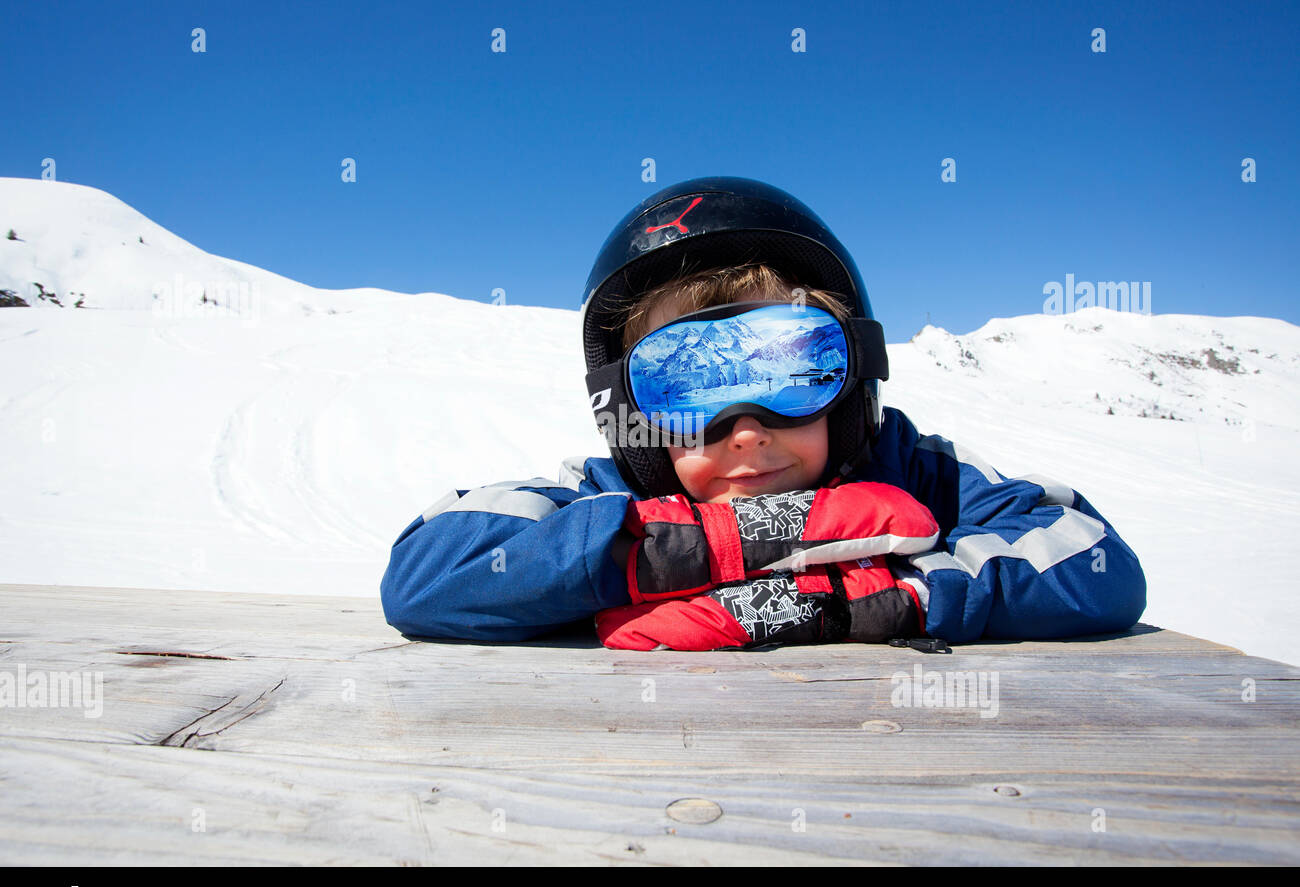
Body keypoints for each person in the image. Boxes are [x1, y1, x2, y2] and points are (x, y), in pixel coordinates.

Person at [381, 176, 1147, 651]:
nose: (746, 429)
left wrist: (874, 599)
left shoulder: (917, 469)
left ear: (848, 385)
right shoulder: (617, 497)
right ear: (632, 417)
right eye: (685, 388)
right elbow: (428, 572)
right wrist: (703, 545)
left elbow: (1094, 563)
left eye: (786, 369)